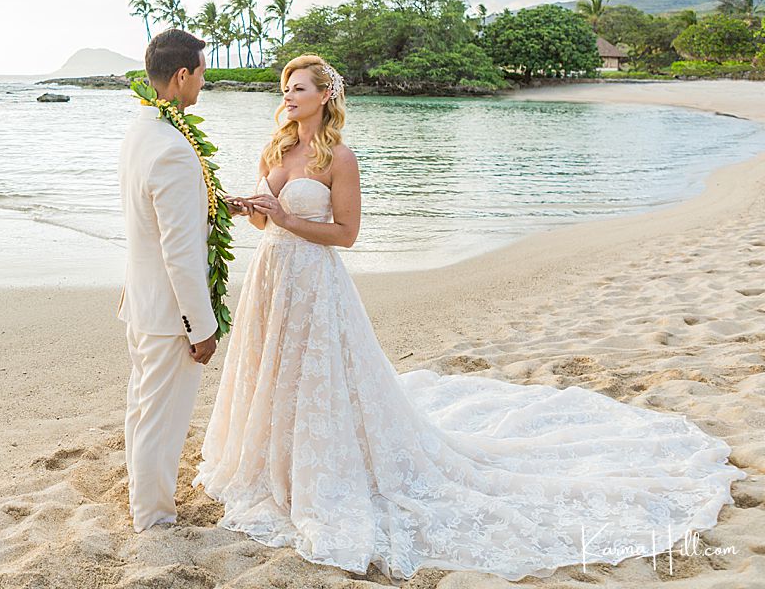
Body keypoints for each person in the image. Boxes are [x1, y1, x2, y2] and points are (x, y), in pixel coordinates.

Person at [194, 54, 745, 581]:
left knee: (316, 375)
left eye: (300, 87)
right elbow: (269, 228)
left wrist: (286, 217)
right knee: (272, 370)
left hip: (315, 280)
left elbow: (346, 235)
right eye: (285, 87)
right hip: (270, 277)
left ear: (325, 97)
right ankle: (273, 462)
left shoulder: (339, 157)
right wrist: (253, 213)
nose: (288, 95)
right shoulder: (273, 150)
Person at [116, 29, 230, 532]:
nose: (204, 83)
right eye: (202, 73)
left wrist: (219, 204)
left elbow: (151, 222)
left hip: (140, 303)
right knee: (161, 422)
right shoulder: (175, 149)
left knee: (142, 410)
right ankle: (154, 518)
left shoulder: (140, 132)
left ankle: (144, 500)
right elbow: (180, 252)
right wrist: (200, 325)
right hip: (169, 314)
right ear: (182, 76)